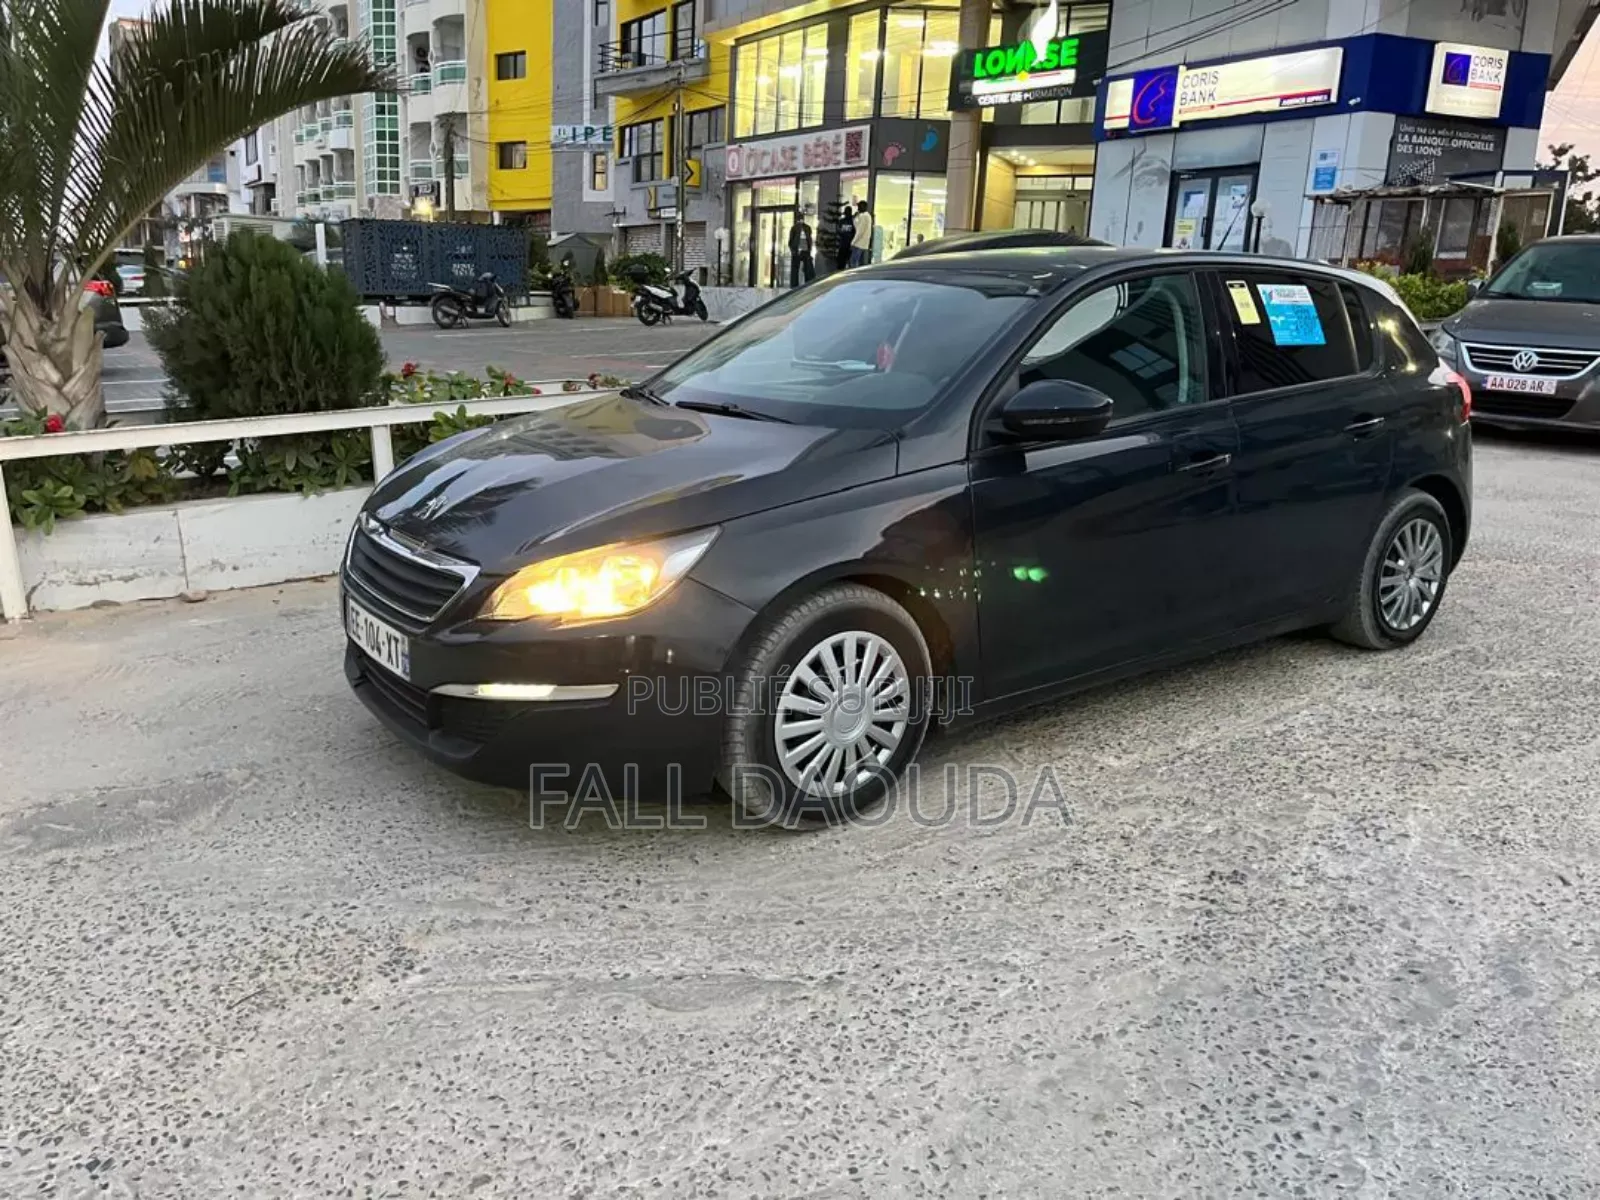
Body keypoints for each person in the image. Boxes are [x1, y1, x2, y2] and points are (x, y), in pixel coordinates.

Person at [788, 210, 815, 288]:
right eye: (800, 218)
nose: (801, 220)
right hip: (798, 250)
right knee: (796, 269)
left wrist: (809, 249)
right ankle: (794, 285)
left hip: (804, 250)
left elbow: (809, 239)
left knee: (806, 269)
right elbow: (791, 240)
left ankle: (807, 284)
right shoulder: (795, 228)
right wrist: (793, 250)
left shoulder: (806, 228)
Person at [849, 199, 874, 267]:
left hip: (858, 244)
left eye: (859, 206)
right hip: (865, 244)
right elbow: (857, 226)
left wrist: (853, 242)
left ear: (863, 207)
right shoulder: (868, 216)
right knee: (862, 265)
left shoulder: (863, 216)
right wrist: (855, 218)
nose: (858, 208)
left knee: (853, 263)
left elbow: (859, 231)